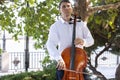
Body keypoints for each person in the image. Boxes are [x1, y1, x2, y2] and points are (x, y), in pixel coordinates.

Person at [46, 0, 94, 80]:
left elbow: (91, 40)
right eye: (63, 6)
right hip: (64, 63)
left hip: (79, 63)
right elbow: (50, 44)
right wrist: (59, 59)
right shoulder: (55, 26)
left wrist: (83, 41)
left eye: (68, 6)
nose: (66, 8)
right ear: (60, 10)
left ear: (71, 9)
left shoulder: (80, 24)